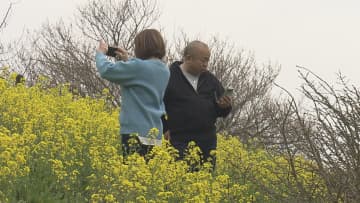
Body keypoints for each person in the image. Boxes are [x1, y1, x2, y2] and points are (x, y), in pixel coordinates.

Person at [95, 29, 170, 158]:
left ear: (141, 47)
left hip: (135, 133)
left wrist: (100, 54)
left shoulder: (138, 67)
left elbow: (106, 70)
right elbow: (141, 78)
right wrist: (126, 61)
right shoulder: (164, 70)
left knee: (132, 174)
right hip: (155, 134)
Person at [163, 40, 232, 168]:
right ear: (188, 58)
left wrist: (224, 106)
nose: (206, 64)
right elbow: (157, 104)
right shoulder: (169, 76)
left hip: (207, 143)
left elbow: (221, 111)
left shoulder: (210, 79)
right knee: (180, 181)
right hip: (179, 141)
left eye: (208, 60)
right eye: (203, 60)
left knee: (204, 184)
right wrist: (164, 127)